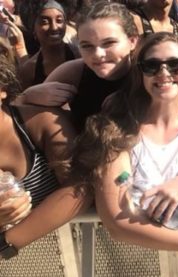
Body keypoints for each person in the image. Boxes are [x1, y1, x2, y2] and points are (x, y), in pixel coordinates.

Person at [68, 32, 178, 253]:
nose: (163, 73)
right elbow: (117, 222)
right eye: (152, 66)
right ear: (141, 73)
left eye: (175, 65)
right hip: (133, 259)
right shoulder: (117, 129)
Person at [0, 57, 90, 260]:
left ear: (2, 89)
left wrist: (6, 242)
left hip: (71, 256)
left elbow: (80, 188)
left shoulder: (40, 121)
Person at [15, 1, 139, 132]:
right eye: (87, 46)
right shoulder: (74, 72)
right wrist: (27, 97)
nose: (98, 54)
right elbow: (12, 111)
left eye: (108, 43)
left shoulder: (150, 71)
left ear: (132, 41)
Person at [18, 0, 78, 88]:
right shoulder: (29, 70)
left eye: (59, 20)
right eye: (45, 22)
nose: (54, 27)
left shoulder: (81, 56)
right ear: (33, 28)